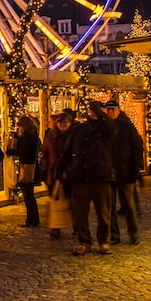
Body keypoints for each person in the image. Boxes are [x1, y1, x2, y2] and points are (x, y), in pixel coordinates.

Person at [56, 100, 115, 256]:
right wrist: (59, 170)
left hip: (101, 176)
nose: (93, 112)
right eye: (92, 110)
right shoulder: (79, 129)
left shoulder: (105, 128)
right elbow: (67, 151)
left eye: (96, 110)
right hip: (80, 176)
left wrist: (100, 113)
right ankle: (84, 241)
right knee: (80, 213)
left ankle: (104, 241)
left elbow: (110, 128)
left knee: (103, 213)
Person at [103, 100, 144, 245]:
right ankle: (115, 235)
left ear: (118, 110)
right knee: (109, 208)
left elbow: (137, 147)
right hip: (109, 173)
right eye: (108, 109)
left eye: (112, 109)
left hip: (125, 172)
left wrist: (135, 169)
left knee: (128, 205)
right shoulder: (104, 127)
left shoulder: (127, 126)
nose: (110, 112)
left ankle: (133, 233)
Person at [40, 111, 74, 239]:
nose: (63, 125)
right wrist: (45, 171)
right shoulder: (51, 138)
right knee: (54, 202)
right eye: (60, 123)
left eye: (65, 122)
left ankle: (76, 226)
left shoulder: (73, 136)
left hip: (69, 175)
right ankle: (55, 228)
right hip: (53, 175)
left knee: (72, 202)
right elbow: (45, 156)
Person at [7, 115, 40, 227]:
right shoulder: (33, 135)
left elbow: (23, 152)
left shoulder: (27, 137)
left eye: (19, 127)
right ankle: (33, 218)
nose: (19, 129)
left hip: (27, 167)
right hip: (31, 166)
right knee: (29, 195)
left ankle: (31, 219)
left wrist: (11, 151)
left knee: (28, 195)